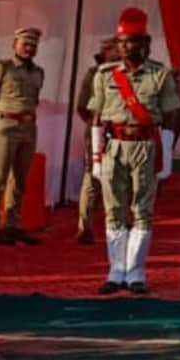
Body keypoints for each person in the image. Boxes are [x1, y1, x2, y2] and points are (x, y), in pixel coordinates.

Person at [87, 8, 180, 295]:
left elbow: (170, 115)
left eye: (135, 41)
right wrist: (95, 156)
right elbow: (96, 116)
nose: (129, 46)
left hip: (145, 146)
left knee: (142, 209)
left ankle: (136, 272)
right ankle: (116, 271)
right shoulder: (105, 74)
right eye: (124, 41)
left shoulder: (160, 74)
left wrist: (166, 154)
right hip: (114, 145)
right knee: (114, 209)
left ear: (146, 43)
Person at [0, 27, 46, 245]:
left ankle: (12, 225)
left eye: (33, 45)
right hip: (6, 123)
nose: (29, 48)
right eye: (25, 44)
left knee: (20, 179)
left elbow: (34, 99)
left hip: (28, 126)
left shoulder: (38, 72)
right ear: (14, 44)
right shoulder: (1, 67)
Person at [73, 37, 120, 245]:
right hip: (98, 130)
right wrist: (95, 125)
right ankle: (85, 227)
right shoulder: (94, 74)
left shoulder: (131, 73)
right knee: (92, 176)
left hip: (122, 131)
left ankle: (118, 225)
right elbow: (82, 106)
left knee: (120, 178)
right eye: (110, 49)